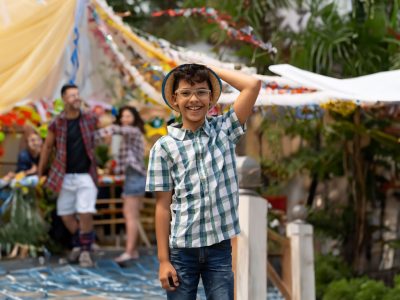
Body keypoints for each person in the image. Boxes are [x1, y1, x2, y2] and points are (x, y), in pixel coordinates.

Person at [146, 63, 261, 299]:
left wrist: (210, 69)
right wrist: (163, 260)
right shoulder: (164, 147)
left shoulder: (225, 130)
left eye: (201, 91)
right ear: (174, 99)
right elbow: (162, 207)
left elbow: (252, 85)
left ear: (211, 99)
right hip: (182, 252)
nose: (194, 99)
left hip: (219, 248)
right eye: (186, 93)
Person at [38, 83, 98, 268]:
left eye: (78, 94)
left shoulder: (89, 118)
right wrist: (40, 172)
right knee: (65, 214)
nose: (76, 98)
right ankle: (82, 244)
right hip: (64, 176)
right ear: (64, 99)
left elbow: (105, 122)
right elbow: (47, 147)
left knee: (85, 211)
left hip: (85, 175)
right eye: (72, 95)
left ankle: (85, 251)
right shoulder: (57, 123)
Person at [96, 106, 146, 265]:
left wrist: (95, 134)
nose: (125, 119)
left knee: (130, 216)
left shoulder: (133, 131)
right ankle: (134, 250)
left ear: (135, 118)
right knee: (133, 216)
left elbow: (115, 130)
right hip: (132, 177)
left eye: (128, 116)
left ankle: (129, 252)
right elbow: (118, 159)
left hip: (135, 177)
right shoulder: (124, 135)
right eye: (123, 116)